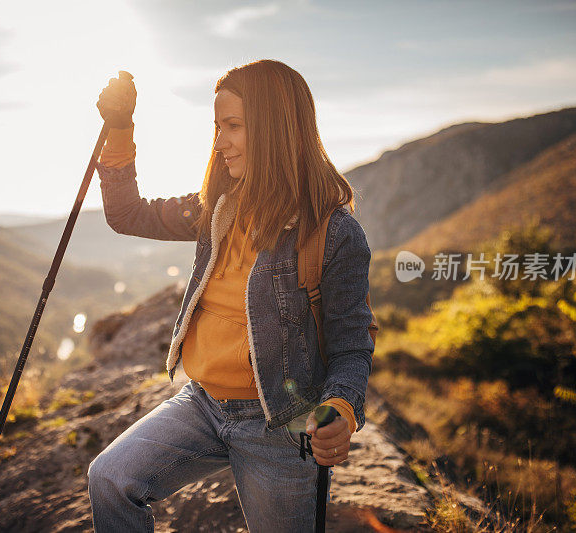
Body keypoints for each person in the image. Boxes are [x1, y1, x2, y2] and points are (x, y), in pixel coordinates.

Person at [87, 59, 374, 532]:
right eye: (217, 127)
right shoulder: (215, 208)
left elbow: (352, 346)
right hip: (203, 404)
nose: (220, 141)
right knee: (111, 479)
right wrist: (120, 129)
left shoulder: (334, 232)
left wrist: (340, 411)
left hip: (280, 424)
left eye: (233, 126)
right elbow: (127, 214)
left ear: (276, 128)